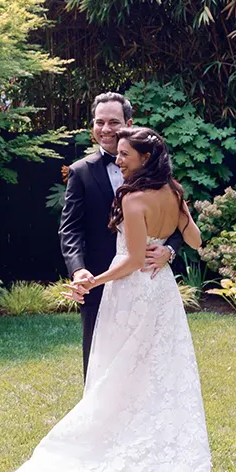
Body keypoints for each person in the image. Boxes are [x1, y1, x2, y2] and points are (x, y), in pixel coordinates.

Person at [0, 126, 211, 472]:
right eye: (117, 154)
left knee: (118, 373)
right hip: (162, 297)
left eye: (124, 154)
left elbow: (127, 260)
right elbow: (196, 241)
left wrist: (93, 281)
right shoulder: (174, 192)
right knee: (158, 373)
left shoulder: (133, 199)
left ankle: (115, 442)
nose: (118, 159)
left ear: (144, 158)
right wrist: (172, 247)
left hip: (131, 296)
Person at [58, 91, 184, 379]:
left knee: (149, 360)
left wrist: (170, 250)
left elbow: (179, 220)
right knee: (98, 362)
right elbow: (70, 228)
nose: (105, 129)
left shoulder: (157, 172)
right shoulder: (80, 172)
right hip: (98, 279)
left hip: (146, 281)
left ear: (128, 122)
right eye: (99, 122)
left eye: (113, 122)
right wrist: (79, 271)